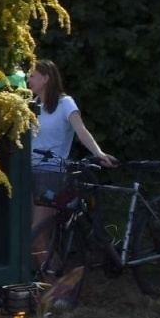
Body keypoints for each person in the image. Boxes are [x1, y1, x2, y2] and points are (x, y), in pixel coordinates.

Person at [28, 59, 116, 272]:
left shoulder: (65, 103)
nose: (28, 79)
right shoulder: (32, 104)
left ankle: (56, 289)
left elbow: (81, 130)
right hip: (29, 173)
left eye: (32, 75)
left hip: (51, 175)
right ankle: (50, 283)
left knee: (36, 235)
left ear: (46, 78)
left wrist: (98, 153)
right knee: (35, 235)